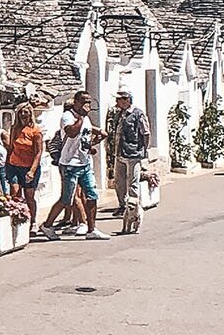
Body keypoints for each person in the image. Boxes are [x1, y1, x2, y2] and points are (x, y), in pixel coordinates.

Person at [51, 91, 109, 241]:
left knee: (92, 195)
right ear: (76, 102)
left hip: (84, 163)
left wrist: (92, 143)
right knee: (66, 199)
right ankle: (47, 225)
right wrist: (81, 117)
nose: (87, 105)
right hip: (70, 164)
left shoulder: (86, 119)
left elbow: (86, 134)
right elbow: (71, 133)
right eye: (83, 101)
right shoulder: (67, 117)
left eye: (89, 102)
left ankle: (92, 229)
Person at [108, 90, 151, 234]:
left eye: (119, 99)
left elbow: (145, 133)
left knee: (132, 181)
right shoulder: (119, 114)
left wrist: (144, 150)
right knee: (119, 181)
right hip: (120, 152)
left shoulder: (138, 114)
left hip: (134, 153)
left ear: (127, 100)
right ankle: (123, 205)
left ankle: (134, 208)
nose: (117, 102)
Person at [2, 103, 44, 228]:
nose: (23, 115)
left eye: (25, 112)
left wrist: (32, 170)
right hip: (14, 165)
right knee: (15, 192)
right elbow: (11, 147)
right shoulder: (15, 128)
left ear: (30, 114)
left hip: (29, 166)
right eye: (21, 112)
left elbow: (38, 152)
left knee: (29, 195)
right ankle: (17, 219)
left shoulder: (36, 131)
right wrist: (6, 164)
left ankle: (33, 221)